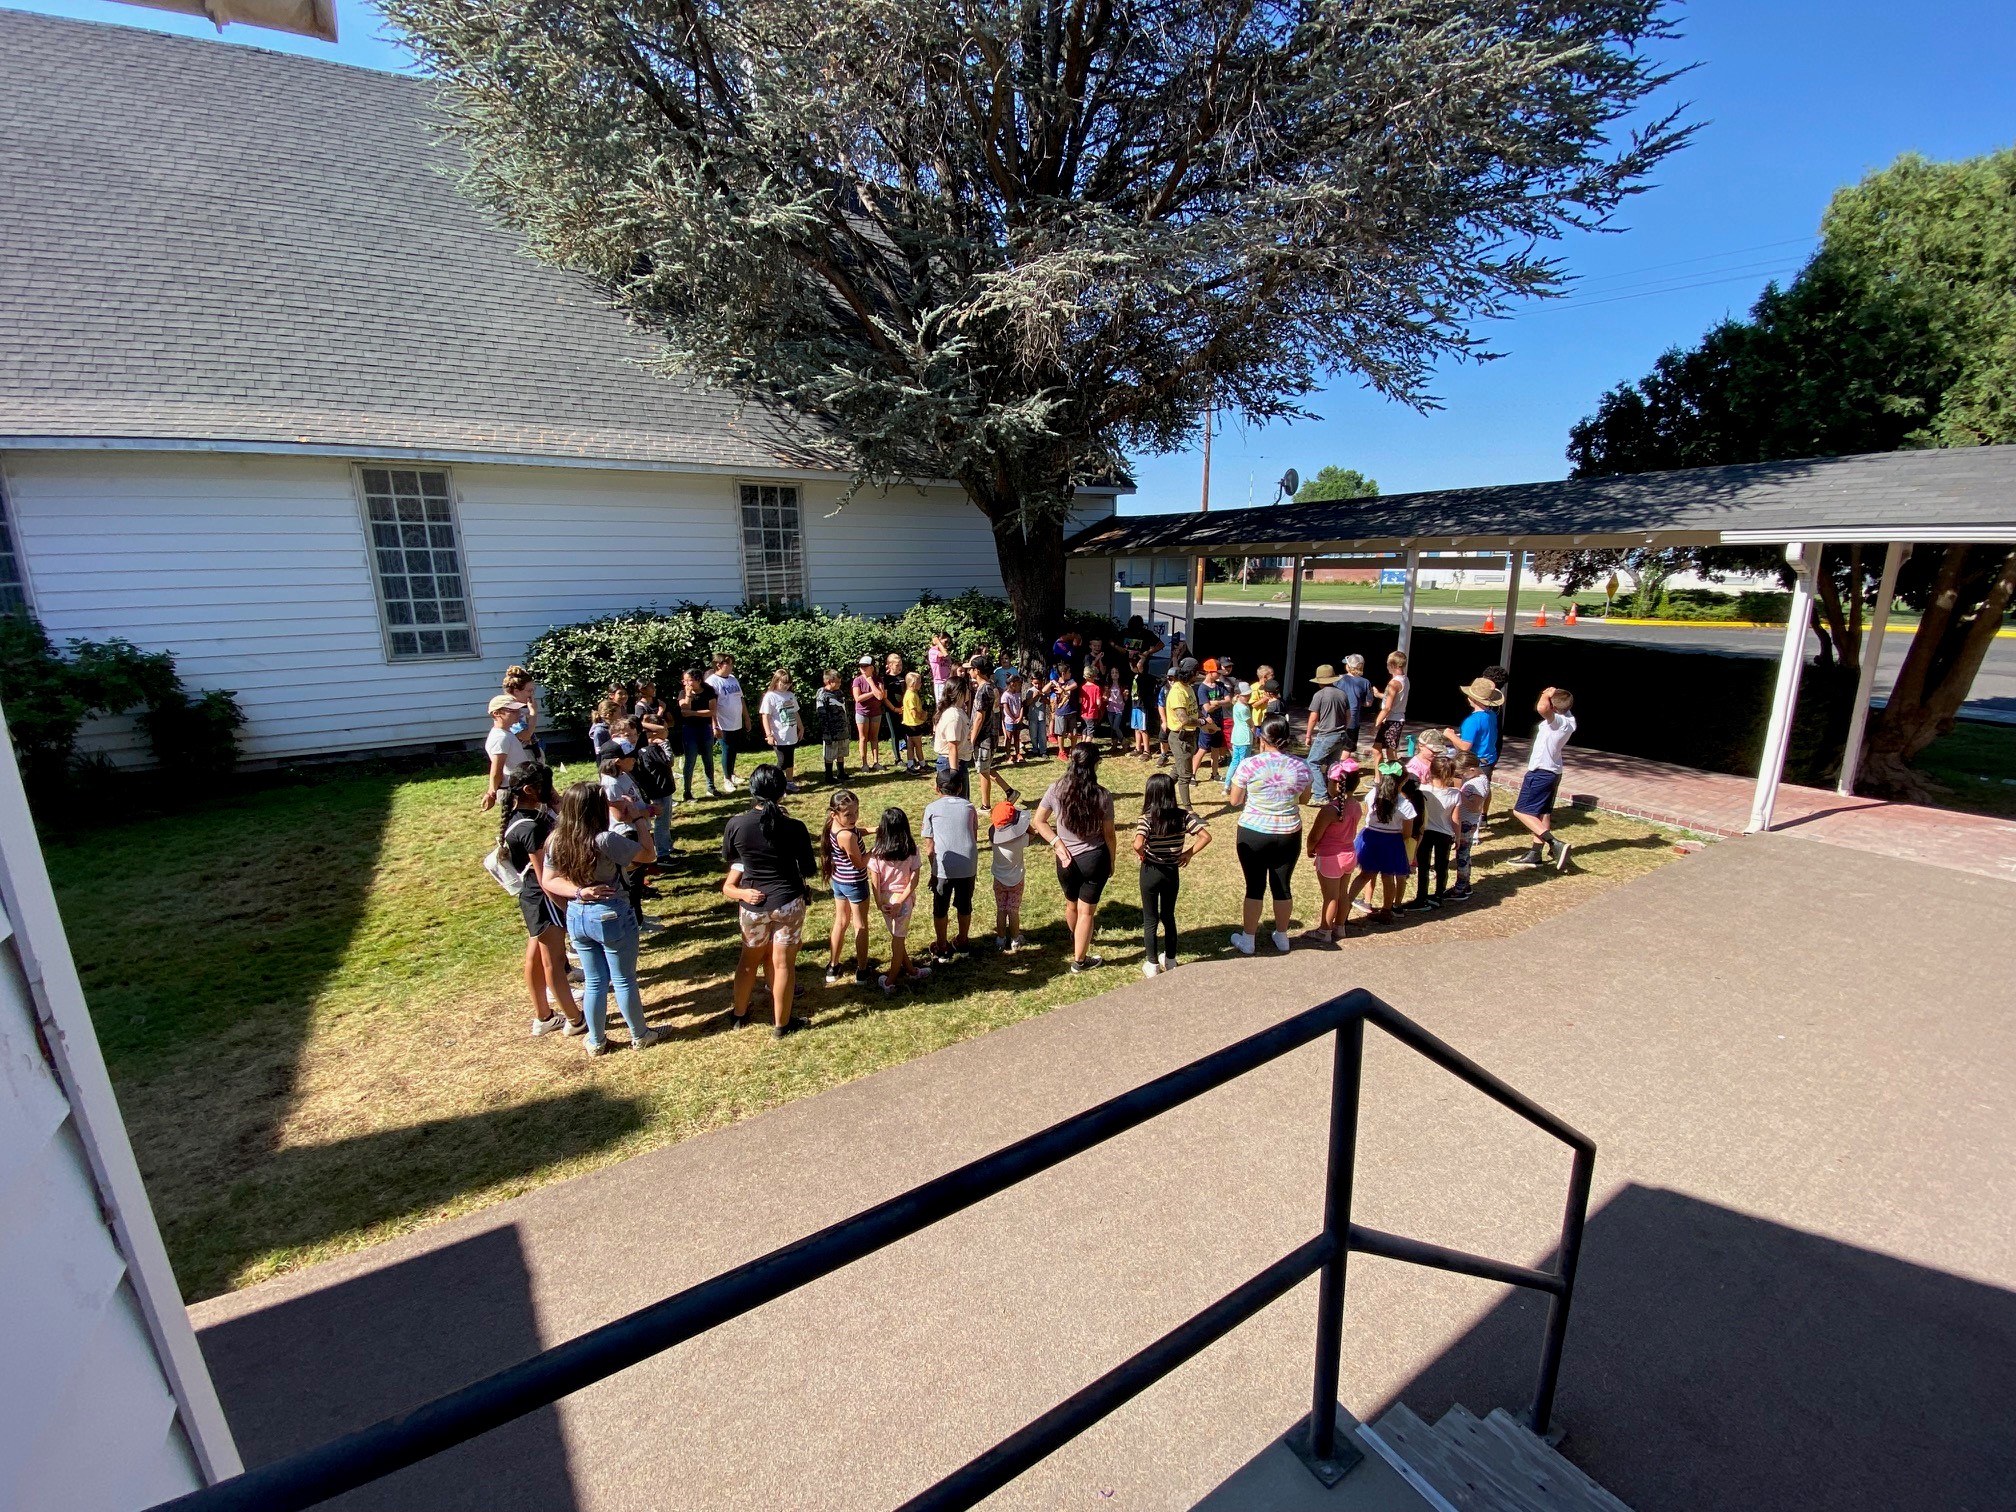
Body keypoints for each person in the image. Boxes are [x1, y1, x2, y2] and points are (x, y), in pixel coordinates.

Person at [540, 781, 661, 1054]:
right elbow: (648, 854)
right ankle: (640, 1035)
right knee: (623, 978)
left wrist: (579, 892)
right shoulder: (604, 839)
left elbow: (549, 880)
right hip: (612, 914)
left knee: (594, 981)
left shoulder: (555, 839)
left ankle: (596, 1040)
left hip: (577, 916)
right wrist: (638, 817)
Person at [721, 763, 817, 1036]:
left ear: (752, 791)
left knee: (748, 960)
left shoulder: (736, 824)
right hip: (787, 901)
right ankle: (782, 1024)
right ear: (782, 792)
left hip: (752, 904)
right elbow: (809, 868)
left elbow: (731, 857)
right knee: (783, 963)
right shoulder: (795, 827)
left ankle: (739, 1014)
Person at [497, 763, 584, 1037]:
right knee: (554, 962)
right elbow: (545, 876)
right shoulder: (531, 828)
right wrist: (566, 907)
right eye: (547, 786)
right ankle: (575, 1019)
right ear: (529, 790)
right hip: (544, 900)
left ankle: (544, 1016)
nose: (553, 791)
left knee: (535, 959)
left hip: (532, 899)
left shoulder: (520, 818)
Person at [1225, 716, 1314, 955]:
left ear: (1262, 738)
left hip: (1253, 831)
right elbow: (1305, 799)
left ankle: (1249, 939)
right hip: (1288, 832)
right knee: (1282, 886)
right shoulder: (1301, 766)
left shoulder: (1249, 765)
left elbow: (1235, 800)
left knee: (1254, 886)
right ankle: (1282, 935)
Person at [1031, 743, 1118, 973]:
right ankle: (1080, 960)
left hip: (1065, 860)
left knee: (1071, 905)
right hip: (1094, 858)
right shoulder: (1102, 795)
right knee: (1087, 912)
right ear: (1094, 765)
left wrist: (1056, 842)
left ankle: (1076, 939)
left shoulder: (1056, 789)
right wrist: (1112, 860)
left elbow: (1038, 821)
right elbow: (1109, 835)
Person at [1133, 770, 1211, 978]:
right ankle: (1170, 959)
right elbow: (1205, 836)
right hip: (1171, 872)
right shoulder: (1183, 817)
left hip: (1150, 871)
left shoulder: (1147, 818)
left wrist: (1143, 855)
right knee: (1168, 916)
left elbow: (1138, 843)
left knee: (1150, 919)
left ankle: (1151, 964)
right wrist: (1188, 854)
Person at [1508, 687, 1577, 871]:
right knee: (1542, 813)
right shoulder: (1569, 719)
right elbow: (1553, 707)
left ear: (1553, 707)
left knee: (1521, 811)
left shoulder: (1558, 722)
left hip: (1541, 772)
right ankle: (1535, 854)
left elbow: (1542, 709)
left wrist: (1545, 694)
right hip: (1554, 771)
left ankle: (1555, 844)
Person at [869, 808, 929, 993]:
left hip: (886, 902)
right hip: (903, 902)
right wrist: (901, 902)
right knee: (898, 940)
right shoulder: (912, 850)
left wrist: (880, 903)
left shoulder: (876, 852)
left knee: (897, 937)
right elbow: (914, 880)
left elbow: (875, 881)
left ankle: (910, 970)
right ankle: (890, 981)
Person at [922, 766, 979, 959]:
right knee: (965, 905)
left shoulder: (931, 809)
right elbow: (974, 835)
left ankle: (941, 946)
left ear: (937, 788)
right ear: (961, 788)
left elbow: (929, 847)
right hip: (967, 865)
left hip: (943, 867)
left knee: (940, 907)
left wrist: (933, 871)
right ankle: (963, 941)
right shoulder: (969, 807)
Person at [1304, 763, 1364, 943]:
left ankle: (1324, 930)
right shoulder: (1356, 805)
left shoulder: (1330, 810)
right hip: (1349, 854)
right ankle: (1340, 927)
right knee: (1343, 893)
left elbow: (1314, 836)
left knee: (1330, 896)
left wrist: (1309, 849)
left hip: (1331, 857)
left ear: (1336, 784)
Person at [820, 789, 874, 985]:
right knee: (860, 924)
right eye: (848, 814)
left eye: (856, 812)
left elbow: (854, 831)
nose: (854, 818)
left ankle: (833, 965)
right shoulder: (847, 837)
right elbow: (860, 863)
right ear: (835, 814)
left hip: (839, 881)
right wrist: (875, 850)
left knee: (840, 922)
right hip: (855, 883)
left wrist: (872, 829)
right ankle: (862, 969)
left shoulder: (834, 826)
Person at [1347, 774, 1417, 924]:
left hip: (1371, 837)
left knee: (1365, 875)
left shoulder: (1372, 794)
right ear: (1403, 781)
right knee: (1388, 877)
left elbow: (1367, 815)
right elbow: (1407, 833)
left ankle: (1344, 908)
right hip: (1391, 841)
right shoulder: (1405, 804)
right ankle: (1386, 911)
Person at [1443, 676, 1505, 810]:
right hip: (1489, 758)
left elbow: (1465, 746)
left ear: (1473, 699)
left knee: (1469, 790)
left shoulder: (1472, 720)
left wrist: (1450, 735)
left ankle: (1463, 814)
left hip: (1475, 762)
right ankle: (1484, 816)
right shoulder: (1492, 715)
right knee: (1485, 788)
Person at [1411, 755, 1461, 909]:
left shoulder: (1423, 790)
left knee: (1424, 866)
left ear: (1430, 771)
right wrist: (1457, 837)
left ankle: (1421, 897)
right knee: (1442, 865)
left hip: (1424, 832)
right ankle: (1439, 895)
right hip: (1444, 834)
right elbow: (1456, 819)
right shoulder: (1455, 794)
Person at [988, 794, 1031, 952]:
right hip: (1016, 880)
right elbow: (1032, 834)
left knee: (1001, 909)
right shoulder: (1020, 840)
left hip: (998, 879)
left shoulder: (993, 838)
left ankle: (1000, 938)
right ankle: (1015, 938)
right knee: (1013, 910)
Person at [479, 693, 534, 811]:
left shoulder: (507, 734)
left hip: (520, 787)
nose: (518, 714)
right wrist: (491, 793)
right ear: (496, 713)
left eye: (518, 710)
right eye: (512, 711)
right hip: (512, 791)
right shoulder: (500, 738)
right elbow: (497, 769)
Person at [1162, 657, 1202, 811]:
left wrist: (1203, 721)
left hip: (1190, 736)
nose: (1198, 674)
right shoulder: (1177, 692)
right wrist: (1202, 722)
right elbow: (1184, 719)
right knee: (1185, 776)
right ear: (1191, 673)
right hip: (1180, 737)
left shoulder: (1188, 687)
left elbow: (1193, 711)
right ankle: (1188, 810)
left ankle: (1159, 791)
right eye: (1196, 672)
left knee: (1178, 771)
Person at [1452, 752, 1491, 901]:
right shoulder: (1476, 780)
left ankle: (1460, 887)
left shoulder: (1478, 784)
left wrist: (1459, 796)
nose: (1461, 776)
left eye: (1462, 773)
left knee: (1462, 856)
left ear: (1472, 770)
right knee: (1464, 855)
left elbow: (1476, 807)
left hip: (1467, 824)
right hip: (1466, 823)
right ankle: (1465, 884)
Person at [676, 667, 720, 799]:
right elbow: (684, 709)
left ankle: (711, 787)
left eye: (688, 680)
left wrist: (693, 713)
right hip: (689, 729)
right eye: (684, 680)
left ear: (698, 680)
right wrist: (689, 694)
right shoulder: (683, 693)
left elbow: (712, 711)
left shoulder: (709, 691)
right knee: (690, 760)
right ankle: (687, 791)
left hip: (705, 728)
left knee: (708, 758)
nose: (685, 683)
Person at [1304, 664, 1356, 776]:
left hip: (1326, 735)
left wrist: (1308, 735)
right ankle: (1332, 790)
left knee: (1312, 762)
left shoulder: (1319, 695)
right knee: (1333, 764)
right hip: (1341, 735)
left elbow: (1313, 717)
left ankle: (1320, 793)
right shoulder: (1342, 694)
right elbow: (1348, 714)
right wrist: (1344, 729)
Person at [706, 654, 748, 792]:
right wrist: (715, 725)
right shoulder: (712, 681)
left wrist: (746, 718)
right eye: (728, 664)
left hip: (736, 721)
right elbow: (712, 706)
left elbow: (740, 699)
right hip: (723, 722)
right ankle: (727, 779)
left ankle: (732, 773)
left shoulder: (733, 679)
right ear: (719, 665)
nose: (731, 667)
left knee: (733, 749)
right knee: (727, 749)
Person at [760, 668, 803, 787]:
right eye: (783, 683)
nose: (785, 686)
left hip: (791, 734)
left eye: (788, 683)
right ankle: (775, 782)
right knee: (782, 762)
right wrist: (769, 735)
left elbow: (795, 712)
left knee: (790, 760)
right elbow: (765, 716)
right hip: (778, 736)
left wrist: (801, 728)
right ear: (776, 681)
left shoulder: (790, 695)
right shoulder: (770, 696)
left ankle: (789, 782)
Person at [933, 673, 972, 786]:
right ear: (960, 693)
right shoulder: (953, 715)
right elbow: (952, 745)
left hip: (958, 762)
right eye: (967, 689)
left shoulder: (958, 711)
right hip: (951, 763)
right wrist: (954, 772)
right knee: (957, 802)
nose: (969, 691)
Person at [815, 668, 852, 784]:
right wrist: (826, 733)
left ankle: (841, 773)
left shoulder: (839, 693)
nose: (840, 684)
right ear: (829, 681)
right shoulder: (822, 695)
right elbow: (822, 715)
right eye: (838, 682)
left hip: (842, 729)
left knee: (841, 752)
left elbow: (844, 709)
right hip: (831, 731)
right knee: (830, 754)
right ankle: (829, 776)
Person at [851, 655, 885, 772]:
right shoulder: (857, 680)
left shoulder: (878, 680)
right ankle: (864, 763)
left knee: (874, 738)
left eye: (866, 666)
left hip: (876, 712)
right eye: (861, 666)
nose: (863, 669)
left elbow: (880, 696)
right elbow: (858, 698)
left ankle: (876, 762)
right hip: (862, 713)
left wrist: (870, 682)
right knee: (863, 738)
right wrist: (872, 692)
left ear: (872, 667)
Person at [1374, 651, 1410, 757]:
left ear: (1392, 665)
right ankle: (1379, 774)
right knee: (1377, 749)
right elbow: (1394, 698)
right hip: (1394, 719)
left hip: (1393, 720)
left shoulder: (1394, 683)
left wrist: (1376, 723)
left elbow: (1387, 707)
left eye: (1387, 664)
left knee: (1390, 752)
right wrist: (1378, 694)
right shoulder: (1405, 679)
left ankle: (1395, 773)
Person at [1337, 655, 1372, 760]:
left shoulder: (1338, 679)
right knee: (1348, 747)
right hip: (1352, 720)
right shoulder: (1365, 682)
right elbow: (1368, 703)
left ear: (1348, 666)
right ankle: (1340, 769)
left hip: (1337, 717)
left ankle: (1333, 767)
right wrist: (1358, 702)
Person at [1223, 680, 1256, 790]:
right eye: (1245, 695)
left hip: (1236, 737)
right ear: (1238, 695)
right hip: (1244, 738)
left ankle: (1227, 784)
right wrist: (1255, 735)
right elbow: (1251, 723)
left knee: (1235, 762)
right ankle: (1241, 786)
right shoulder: (1244, 708)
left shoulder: (1236, 705)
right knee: (1244, 763)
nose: (1248, 697)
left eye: (1249, 694)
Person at [901, 671, 930, 773]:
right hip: (913, 724)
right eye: (919, 682)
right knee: (918, 745)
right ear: (913, 684)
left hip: (908, 723)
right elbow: (914, 712)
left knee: (910, 745)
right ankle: (922, 764)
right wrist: (922, 716)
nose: (921, 684)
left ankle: (910, 765)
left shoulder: (911, 694)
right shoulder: (911, 696)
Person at [1132, 656, 1158, 760]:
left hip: (1142, 705)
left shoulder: (1146, 677)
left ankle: (1147, 751)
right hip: (1135, 704)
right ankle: (1138, 748)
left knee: (1143, 728)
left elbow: (1140, 665)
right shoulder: (1135, 676)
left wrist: (1143, 657)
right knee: (1136, 728)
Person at [1001, 673, 1026, 763]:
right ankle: (1008, 754)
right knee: (1009, 737)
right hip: (1009, 720)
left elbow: (1021, 705)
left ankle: (1018, 753)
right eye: (1019, 684)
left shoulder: (1018, 694)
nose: (1020, 686)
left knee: (1017, 737)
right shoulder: (1005, 695)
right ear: (1013, 684)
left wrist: (1020, 716)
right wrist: (1013, 717)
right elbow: (1006, 708)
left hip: (1018, 719)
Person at [927, 632, 956, 705]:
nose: (947, 644)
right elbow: (944, 654)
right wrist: (938, 643)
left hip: (948, 682)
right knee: (941, 705)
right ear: (939, 639)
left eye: (948, 642)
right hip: (940, 683)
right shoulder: (933, 651)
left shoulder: (944, 650)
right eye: (946, 642)